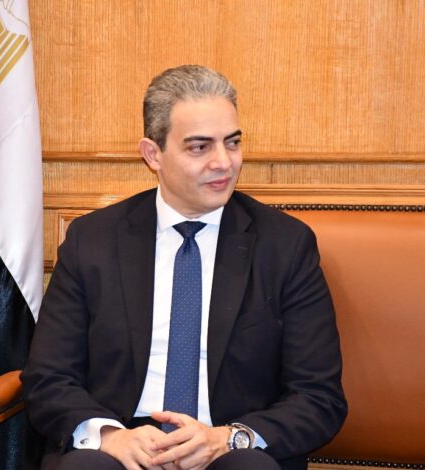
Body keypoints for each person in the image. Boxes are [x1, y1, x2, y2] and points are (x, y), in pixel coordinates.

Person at [21, 65, 347, 470]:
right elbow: (48, 378)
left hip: (229, 446)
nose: (223, 162)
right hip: (123, 443)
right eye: (199, 147)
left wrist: (229, 438)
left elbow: (318, 397)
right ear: (152, 154)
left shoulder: (285, 245)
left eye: (232, 143)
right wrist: (109, 436)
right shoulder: (92, 241)